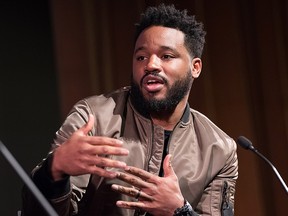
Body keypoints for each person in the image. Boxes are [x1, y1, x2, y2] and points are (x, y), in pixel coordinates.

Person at [21, 3, 238, 216]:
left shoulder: (219, 149)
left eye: (166, 56)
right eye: (141, 57)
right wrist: (54, 171)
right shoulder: (94, 117)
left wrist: (179, 211)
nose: (151, 65)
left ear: (195, 67)